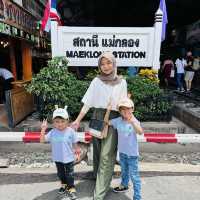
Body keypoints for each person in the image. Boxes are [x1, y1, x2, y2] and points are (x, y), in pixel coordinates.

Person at [72, 51, 127, 200]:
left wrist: (126, 122)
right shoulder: (96, 81)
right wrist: (77, 120)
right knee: (97, 151)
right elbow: (88, 102)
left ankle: (100, 193)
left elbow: (124, 106)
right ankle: (98, 177)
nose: (106, 66)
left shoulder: (122, 82)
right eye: (102, 64)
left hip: (113, 119)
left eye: (109, 63)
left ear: (114, 63)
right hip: (97, 117)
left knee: (106, 155)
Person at [40, 106, 80, 200]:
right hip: (58, 158)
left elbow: (75, 144)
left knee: (70, 174)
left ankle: (71, 187)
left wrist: (77, 153)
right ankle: (64, 184)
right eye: (57, 122)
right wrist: (43, 129)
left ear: (67, 121)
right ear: (53, 122)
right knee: (61, 174)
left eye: (62, 121)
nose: (60, 124)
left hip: (69, 158)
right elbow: (42, 141)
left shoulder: (71, 131)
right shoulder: (52, 132)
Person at [107, 97, 143, 200]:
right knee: (124, 172)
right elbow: (107, 122)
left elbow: (140, 132)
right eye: (123, 109)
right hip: (122, 152)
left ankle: (137, 197)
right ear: (120, 111)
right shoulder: (118, 121)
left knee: (134, 176)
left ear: (132, 109)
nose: (125, 111)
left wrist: (132, 122)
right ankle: (124, 185)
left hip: (132, 155)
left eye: (128, 109)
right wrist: (108, 110)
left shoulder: (134, 120)